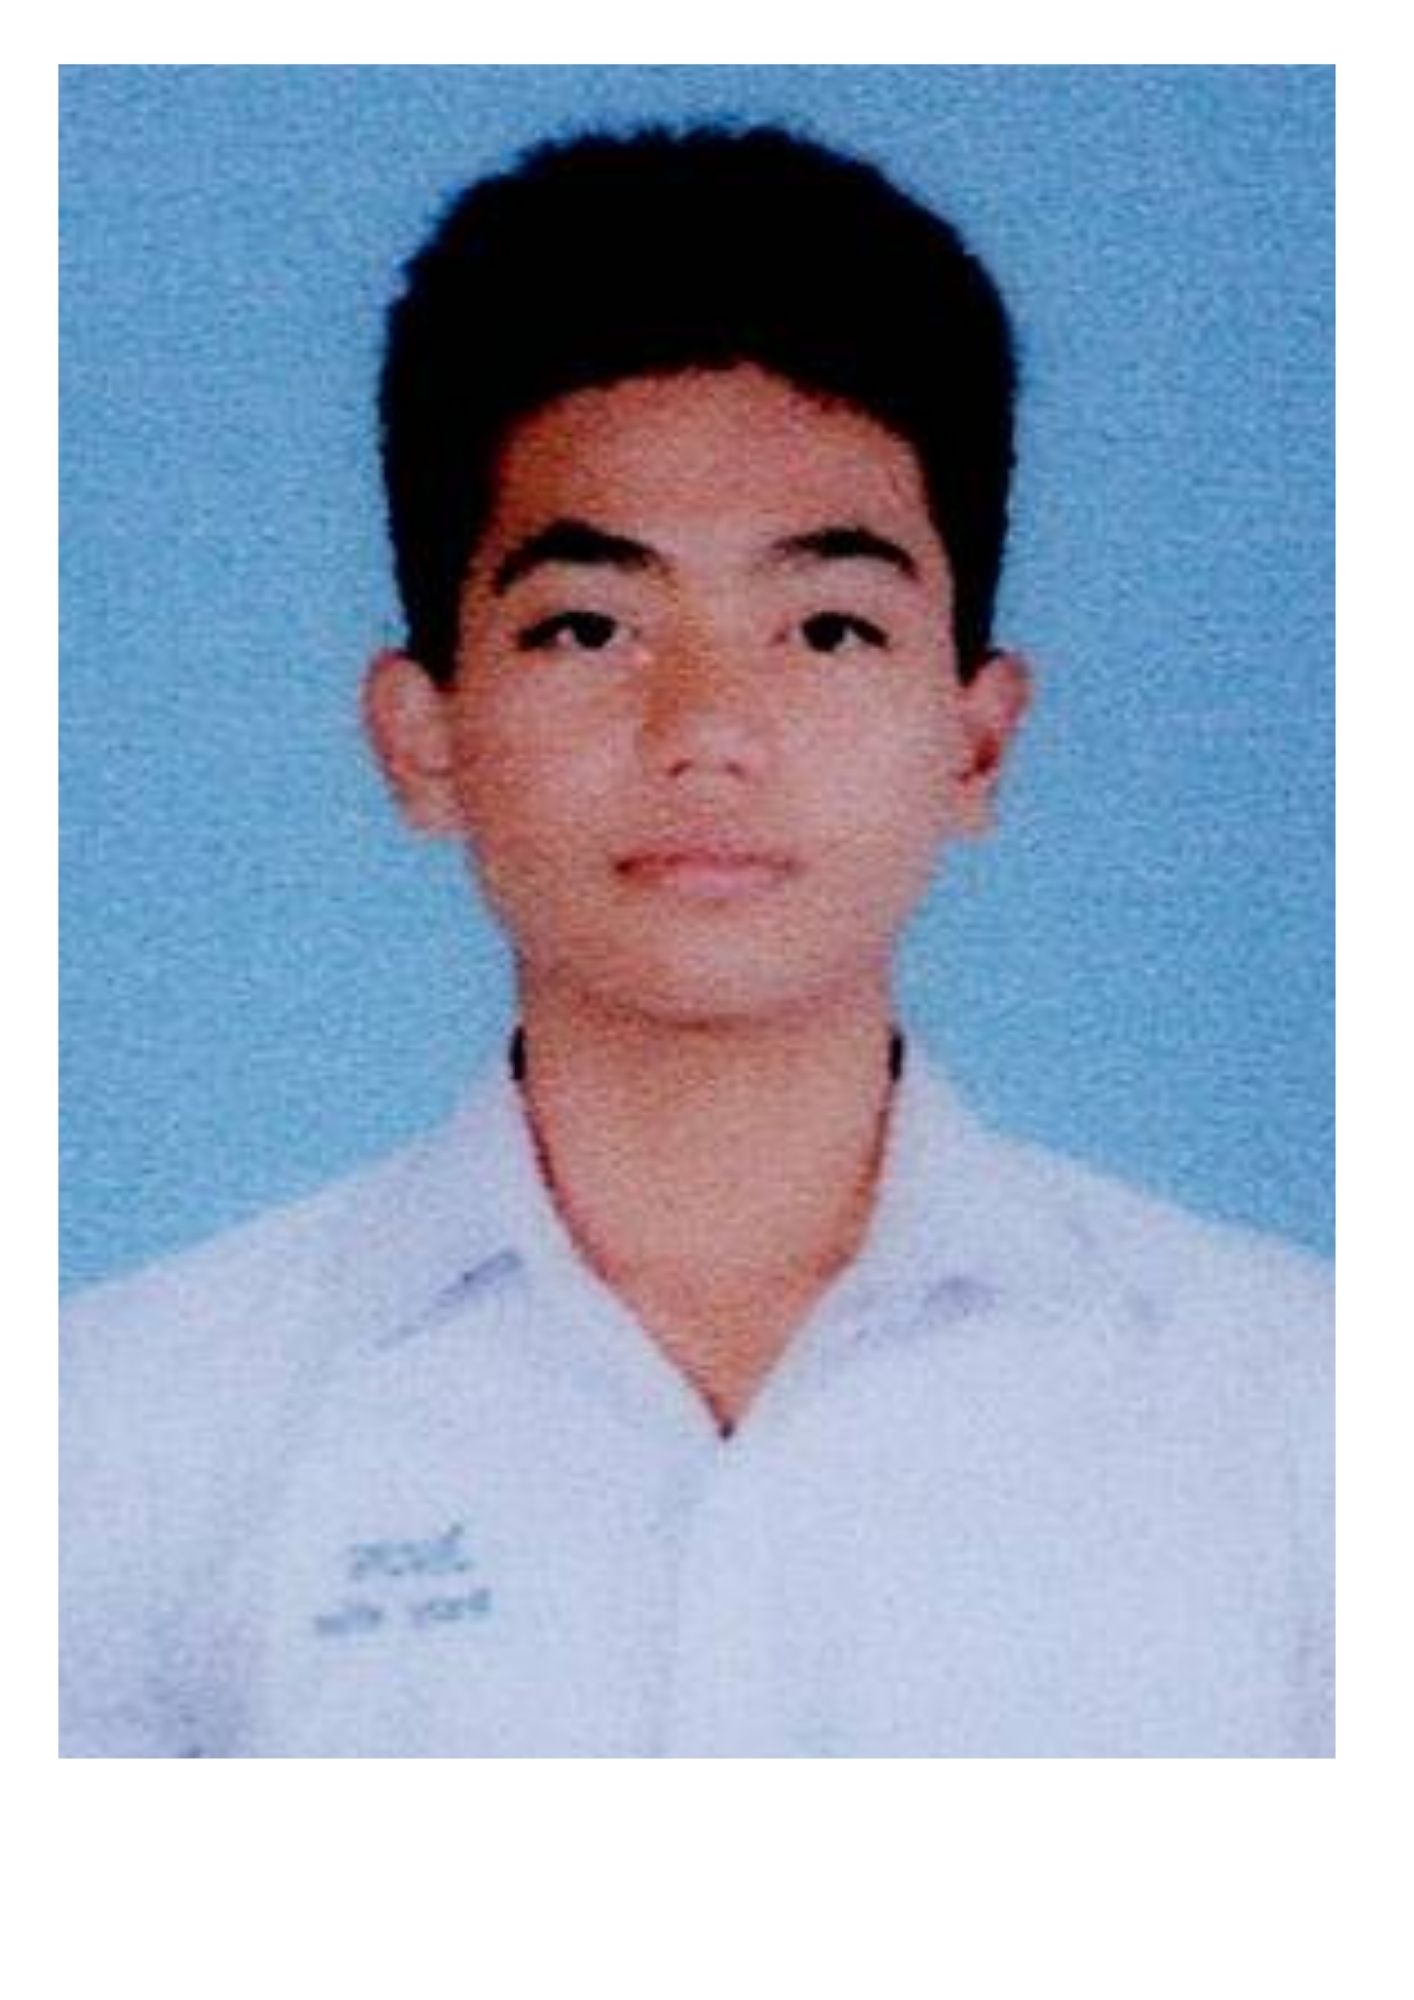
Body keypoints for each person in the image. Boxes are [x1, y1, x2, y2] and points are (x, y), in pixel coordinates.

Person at [60, 125, 1333, 1757]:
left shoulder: (1305, 1420)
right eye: (589, 626)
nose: (709, 734)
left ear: (974, 741)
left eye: (828, 627)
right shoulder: (118, 1438)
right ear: (421, 737)